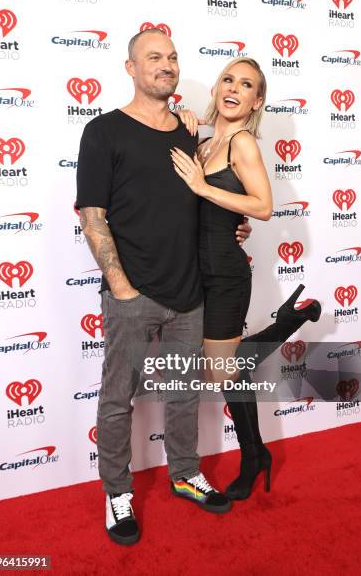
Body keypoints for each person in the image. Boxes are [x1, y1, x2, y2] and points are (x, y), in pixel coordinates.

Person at [75, 29, 252, 546]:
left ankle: (184, 472)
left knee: (183, 393)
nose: (166, 65)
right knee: (116, 399)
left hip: (189, 293)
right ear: (130, 68)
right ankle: (116, 492)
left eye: (172, 57)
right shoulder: (103, 131)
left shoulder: (188, 133)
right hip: (133, 295)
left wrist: (235, 226)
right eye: (153, 57)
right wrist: (121, 288)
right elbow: (93, 216)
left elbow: (202, 200)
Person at [171, 56, 321, 501]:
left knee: (226, 372)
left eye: (247, 84)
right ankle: (297, 316)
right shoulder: (204, 145)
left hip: (227, 275)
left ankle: (254, 457)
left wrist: (205, 189)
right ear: (218, 88)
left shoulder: (242, 143)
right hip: (199, 272)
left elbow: (264, 206)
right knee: (231, 369)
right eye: (228, 79)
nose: (234, 88)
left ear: (258, 99)